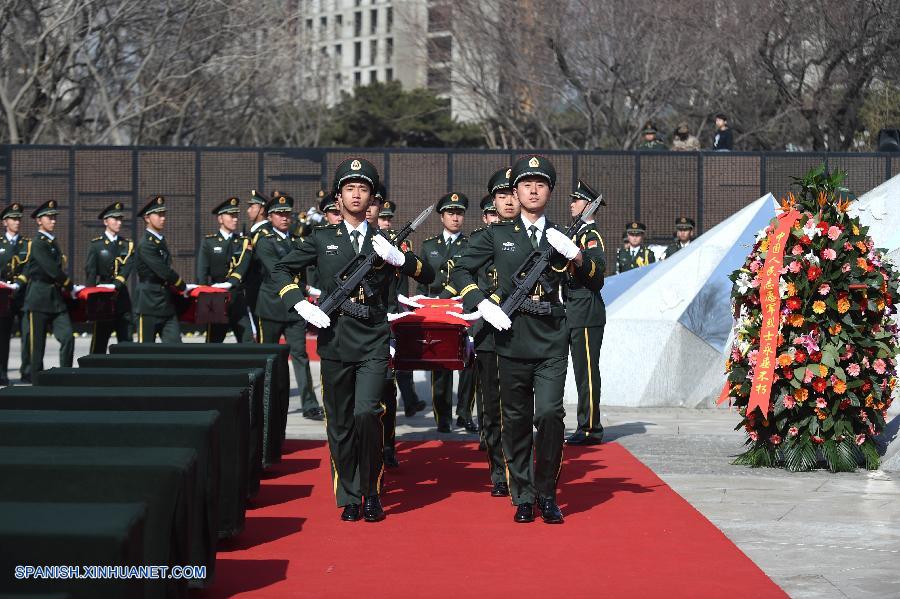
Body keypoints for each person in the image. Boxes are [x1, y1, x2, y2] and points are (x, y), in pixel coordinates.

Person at [272, 157, 434, 522]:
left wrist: (401, 260)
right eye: (350, 189)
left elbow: (428, 274)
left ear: (372, 198)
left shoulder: (385, 241)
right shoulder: (321, 238)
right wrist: (299, 302)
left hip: (374, 338)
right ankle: (348, 494)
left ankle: (371, 490)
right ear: (339, 197)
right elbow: (281, 270)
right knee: (341, 422)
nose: (357, 195)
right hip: (334, 338)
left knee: (367, 414)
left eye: (363, 189)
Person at [452, 155, 604, 524]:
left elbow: (597, 278)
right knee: (516, 420)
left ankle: (547, 493)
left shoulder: (565, 234)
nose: (533, 190)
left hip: (551, 334)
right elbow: (459, 268)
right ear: (515, 192)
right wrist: (481, 302)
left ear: (549, 191)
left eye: (540, 184)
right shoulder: (498, 234)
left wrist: (578, 257)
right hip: (510, 335)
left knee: (550, 415)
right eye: (525, 185)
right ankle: (522, 494)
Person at [463, 167, 518, 497]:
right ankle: (500, 470)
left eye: (513, 194)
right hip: (488, 333)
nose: (509, 201)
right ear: (492, 203)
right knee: (493, 406)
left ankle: (519, 465)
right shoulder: (480, 240)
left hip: (524, 330)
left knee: (520, 406)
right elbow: (463, 276)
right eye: (501, 196)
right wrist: (484, 304)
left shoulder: (535, 238)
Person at [255, 193, 324, 421]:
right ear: (270, 217)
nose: (285, 218)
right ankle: (264, 400)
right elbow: (276, 271)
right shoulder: (264, 241)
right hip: (272, 306)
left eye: (287, 214)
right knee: (267, 358)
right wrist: (306, 289)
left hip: (294, 308)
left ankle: (309, 404)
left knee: (300, 356)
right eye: (279, 214)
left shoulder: (296, 241)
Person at [417, 192, 477, 433]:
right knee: (439, 361)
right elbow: (422, 282)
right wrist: (421, 304)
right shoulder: (429, 246)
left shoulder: (471, 244)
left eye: (459, 213)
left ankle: (464, 413)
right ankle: (442, 415)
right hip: (438, 310)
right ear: (442, 217)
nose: (455, 218)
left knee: (469, 362)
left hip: (463, 308)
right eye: (451, 213)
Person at [564, 180, 607, 446]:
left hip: (586, 311)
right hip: (570, 310)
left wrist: (576, 258)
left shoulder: (590, 236)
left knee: (587, 372)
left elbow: (597, 268)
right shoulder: (574, 233)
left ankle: (591, 427)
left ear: (589, 205)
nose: (572, 203)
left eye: (577, 200)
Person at [376, 194, 425, 420]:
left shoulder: (401, 242)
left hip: (398, 306)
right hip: (380, 308)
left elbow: (407, 274)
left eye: (388, 218)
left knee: (403, 358)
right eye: (382, 218)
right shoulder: (373, 241)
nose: (385, 222)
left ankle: (410, 400)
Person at [23, 200, 75, 373]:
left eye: (54, 217)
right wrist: (69, 285)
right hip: (38, 298)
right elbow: (51, 269)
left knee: (67, 336)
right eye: (49, 217)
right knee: (37, 346)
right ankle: (37, 381)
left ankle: (65, 375)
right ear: (39, 220)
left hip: (55, 299)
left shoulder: (52, 242)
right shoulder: (38, 243)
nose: (53, 220)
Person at [196, 197, 254, 343]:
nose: (235, 219)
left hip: (237, 296)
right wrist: (203, 298)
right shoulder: (209, 242)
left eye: (236, 216)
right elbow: (202, 271)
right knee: (214, 341)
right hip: (216, 297)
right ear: (220, 219)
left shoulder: (242, 242)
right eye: (231, 216)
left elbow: (244, 265)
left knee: (247, 339)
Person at [133, 195, 191, 343]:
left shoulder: (159, 240)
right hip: (148, 304)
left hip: (165, 302)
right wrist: (182, 286)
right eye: (158, 215)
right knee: (145, 354)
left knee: (175, 348)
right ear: (147, 218)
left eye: (163, 214)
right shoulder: (145, 244)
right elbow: (163, 271)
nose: (162, 218)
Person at [84, 201, 134, 353]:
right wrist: (90, 300)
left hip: (121, 296)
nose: (119, 222)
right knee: (100, 340)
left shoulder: (126, 244)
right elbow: (91, 272)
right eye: (115, 219)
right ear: (106, 221)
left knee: (126, 340)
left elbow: (128, 265)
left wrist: (117, 284)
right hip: (103, 298)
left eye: (120, 219)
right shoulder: (97, 245)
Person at [0, 203, 31, 384]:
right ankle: (2, 372)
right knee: (3, 336)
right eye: (13, 219)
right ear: (5, 222)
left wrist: (19, 283)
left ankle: (26, 370)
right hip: (3, 297)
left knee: (27, 334)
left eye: (19, 219)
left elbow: (29, 267)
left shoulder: (27, 244)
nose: (17, 222)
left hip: (22, 296)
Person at [244, 189, 271, 325]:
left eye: (252, 206)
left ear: (261, 209)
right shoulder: (254, 231)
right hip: (251, 287)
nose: (248, 210)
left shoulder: (264, 233)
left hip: (260, 289)